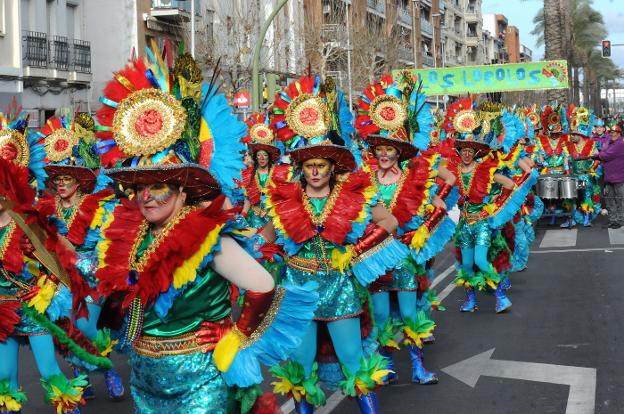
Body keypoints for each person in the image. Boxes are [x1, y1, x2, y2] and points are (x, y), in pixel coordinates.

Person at [90, 47, 317, 413]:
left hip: (200, 384)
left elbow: (263, 287)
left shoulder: (209, 239)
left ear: (183, 189)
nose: (147, 196)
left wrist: (236, 334)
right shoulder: (131, 236)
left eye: (159, 184)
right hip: (146, 381)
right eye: (140, 186)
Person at [266, 74, 407, 413]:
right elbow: (266, 238)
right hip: (298, 288)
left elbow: (391, 222)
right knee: (300, 370)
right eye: (309, 165)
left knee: (354, 363)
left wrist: (357, 252)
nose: (315, 172)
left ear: (332, 167)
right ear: (300, 166)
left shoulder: (354, 194)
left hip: (339, 287)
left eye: (321, 165)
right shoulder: (285, 198)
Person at [354, 74, 457, 386]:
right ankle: (385, 366)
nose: (384, 155)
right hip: (375, 260)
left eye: (391, 150)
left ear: (400, 153)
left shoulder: (414, 179)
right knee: (382, 318)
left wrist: (423, 232)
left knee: (411, 316)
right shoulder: (365, 181)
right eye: (380, 150)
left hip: (405, 260)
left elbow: (439, 204)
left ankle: (417, 367)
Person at [0, 109, 96, 414]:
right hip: (2, 311)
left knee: (49, 371)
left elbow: (58, 257)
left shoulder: (29, 219)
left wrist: (51, 285)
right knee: (3, 378)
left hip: (32, 307)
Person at [36, 113, 125, 400]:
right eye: (57, 179)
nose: (61, 184)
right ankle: (79, 370)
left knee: (86, 326)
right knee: (63, 328)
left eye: (67, 178)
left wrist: (86, 262)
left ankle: (106, 367)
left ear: (79, 181)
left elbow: (107, 244)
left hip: (90, 274)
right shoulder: (46, 206)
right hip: (58, 277)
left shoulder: (98, 206)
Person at [443, 98, 537, 313]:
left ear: (476, 152)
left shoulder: (486, 170)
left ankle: (500, 296)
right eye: (463, 150)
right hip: (464, 224)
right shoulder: (453, 171)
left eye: (470, 150)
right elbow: (437, 177)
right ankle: (471, 299)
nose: (466, 154)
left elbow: (511, 184)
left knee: (481, 260)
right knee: (466, 265)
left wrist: (494, 207)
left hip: (483, 223)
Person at [566, 106, 601, 227]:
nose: (571, 137)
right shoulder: (570, 146)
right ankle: (573, 217)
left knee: (585, 195)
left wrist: (591, 169)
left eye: (573, 134)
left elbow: (597, 159)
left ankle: (586, 217)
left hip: (585, 177)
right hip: (573, 176)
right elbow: (566, 159)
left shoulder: (591, 145)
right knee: (571, 196)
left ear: (579, 134)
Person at [594, 121, 624, 229]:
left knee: (620, 200)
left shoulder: (620, 144)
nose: (612, 134)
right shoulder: (609, 142)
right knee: (609, 199)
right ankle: (613, 220)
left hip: (619, 178)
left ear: (619, 133)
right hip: (609, 177)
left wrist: (599, 154)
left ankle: (620, 220)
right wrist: (601, 153)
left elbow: (606, 155)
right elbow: (604, 152)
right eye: (611, 132)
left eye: (615, 132)